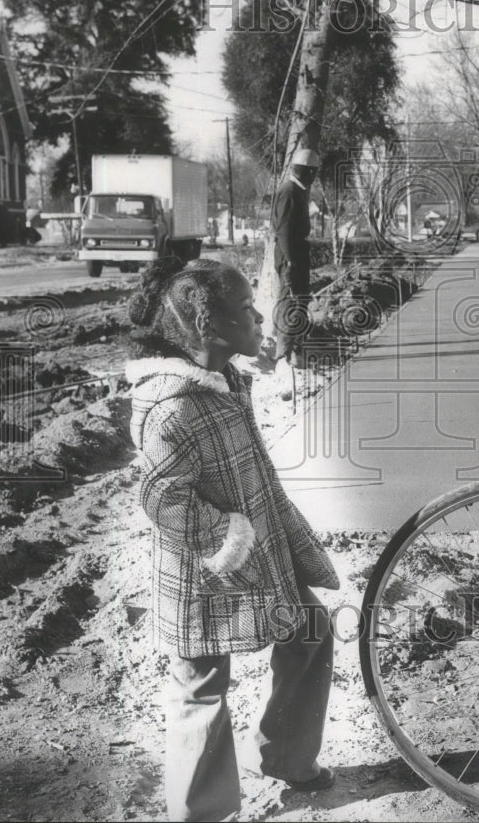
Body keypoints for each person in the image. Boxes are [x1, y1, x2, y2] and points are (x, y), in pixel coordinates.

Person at [125, 256, 339, 822]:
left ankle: (286, 758)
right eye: (247, 309)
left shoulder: (217, 377)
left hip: (256, 559)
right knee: (200, 687)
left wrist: (252, 353)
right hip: (204, 576)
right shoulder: (171, 407)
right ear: (205, 327)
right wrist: (231, 537)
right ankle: (199, 812)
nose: (260, 314)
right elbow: (161, 500)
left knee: (311, 630)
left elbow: (235, 383)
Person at [271, 148, 318, 372]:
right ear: (308, 172)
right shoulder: (290, 191)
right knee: (290, 302)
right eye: (313, 172)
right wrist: (290, 262)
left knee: (298, 302)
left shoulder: (296, 191)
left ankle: (294, 354)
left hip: (296, 254)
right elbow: (284, 232)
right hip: (291, 256)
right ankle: (284, 355)